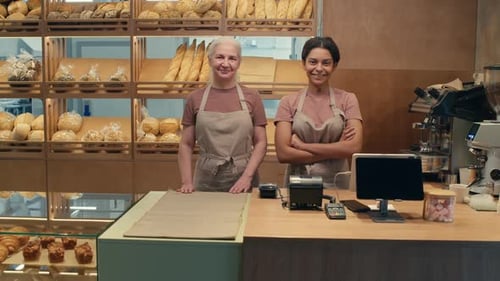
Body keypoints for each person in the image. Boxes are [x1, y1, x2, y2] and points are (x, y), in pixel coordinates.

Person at [178, 37, 268, 193]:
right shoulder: (195, 98)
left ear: (239, 62)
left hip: (244, 178)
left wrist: (246, 177)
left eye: (232, 58)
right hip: (206, 179)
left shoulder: (252, 97)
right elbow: (186, 144)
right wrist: (186, 181)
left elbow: (261, 142)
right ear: (209, 60)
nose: (225, 64)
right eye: (220, 57)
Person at [274, 37, 363, 188]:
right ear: (303, 64)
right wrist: (337, 147)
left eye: (326, 63)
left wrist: (301, 145)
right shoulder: (288, 102)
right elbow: (283, 154)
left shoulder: (348, 100)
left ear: (334, 66)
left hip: (337, 184)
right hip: (298, 184)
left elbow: (354, 148)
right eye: (313, 62)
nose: (319, 68)